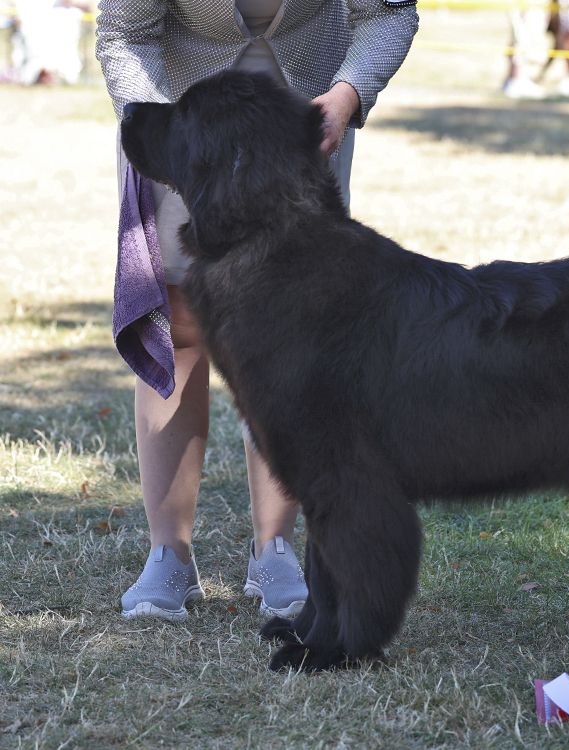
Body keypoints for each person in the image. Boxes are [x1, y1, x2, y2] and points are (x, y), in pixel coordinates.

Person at [95, 0, 418, 622]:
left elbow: (388, 14)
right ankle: (168, 554)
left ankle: (276, 550)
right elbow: (124, 33)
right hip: (183, 108)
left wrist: (346, 95)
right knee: (180, 325)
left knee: (291, 332)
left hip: (304, 115)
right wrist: (170, 138)